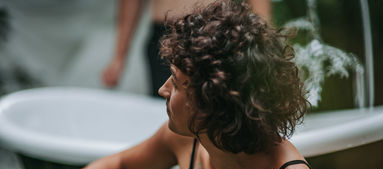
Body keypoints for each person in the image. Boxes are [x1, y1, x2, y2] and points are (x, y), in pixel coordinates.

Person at [0, 1, 343, 169]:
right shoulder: (188, 140)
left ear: (215, 101)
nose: (163, 89)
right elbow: (118, 167)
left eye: (177, 83)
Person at [101, 0, 272, 96]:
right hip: (165, 36)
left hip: (217, 36)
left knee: (217, 114)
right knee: (167, 112)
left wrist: (263, 47)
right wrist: (119, 56)